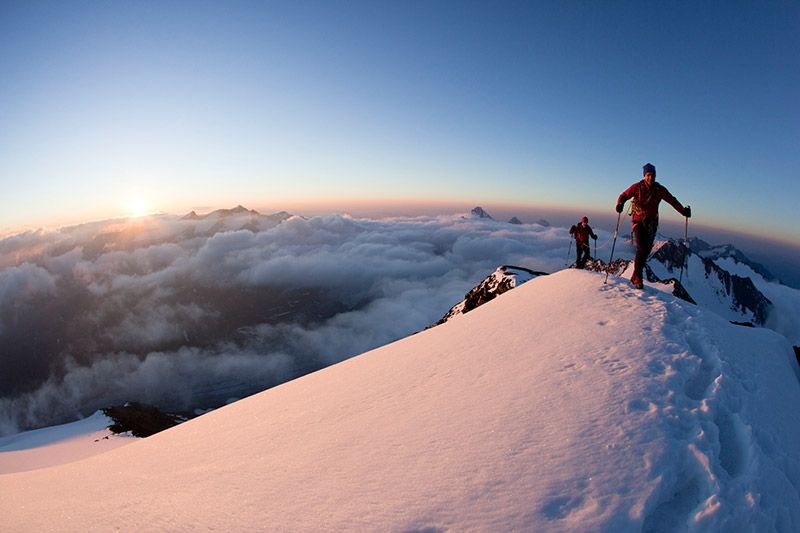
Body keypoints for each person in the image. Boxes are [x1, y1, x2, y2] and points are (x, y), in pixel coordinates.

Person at [616, 163, 691, 289]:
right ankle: (638, 277)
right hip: (638, 221)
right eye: (648, 175)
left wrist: (683, 211)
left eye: (652, 175)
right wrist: (620, 204)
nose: (650, 178)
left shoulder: (659, 189)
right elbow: (624, 196)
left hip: (651, 224)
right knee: (641, 247)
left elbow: (672, 200)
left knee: (645, 251)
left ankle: (635, 275)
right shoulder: (637, 187)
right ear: (645, 175)